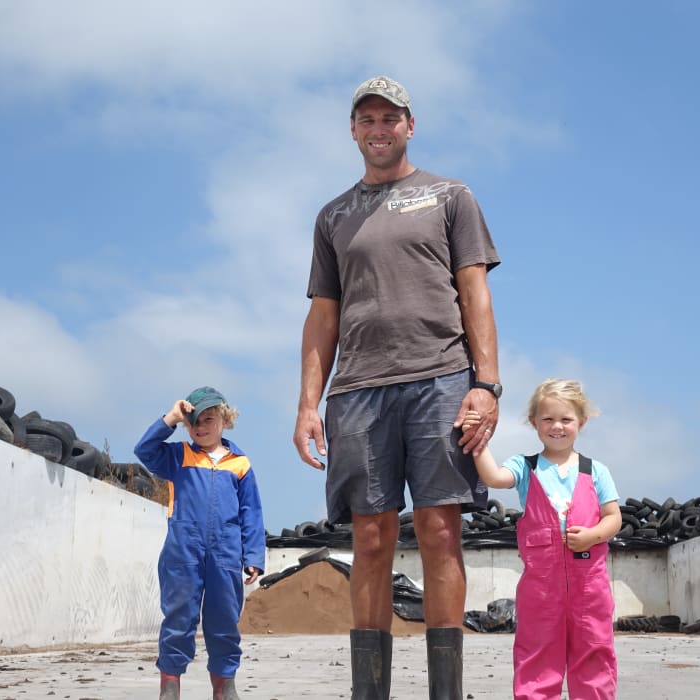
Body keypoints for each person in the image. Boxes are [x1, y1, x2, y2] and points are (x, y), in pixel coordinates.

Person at [293, 75, 502, 700]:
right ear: (353, 131)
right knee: (371, 535)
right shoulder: (332, 216)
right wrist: (308, 403)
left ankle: (447, 691)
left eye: (391, 118)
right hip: (356, 390)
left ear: (410, 126)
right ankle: (370, 692)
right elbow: (322, 314)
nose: (379, 129)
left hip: (441, 378)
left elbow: (475, 292)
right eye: (367, 120)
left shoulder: (449, 196)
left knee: (440, 530)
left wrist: (485, 383)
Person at [464, 379, 621, 699]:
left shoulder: (596, 471)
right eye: (548, 419)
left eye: (566, 419)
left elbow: (614, 518)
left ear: (582, 422)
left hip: (590, 587)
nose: (557, 427)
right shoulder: (525, 467)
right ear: (534, 422)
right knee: (536, 655)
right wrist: (477, 439)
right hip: (541, 589)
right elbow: (494, 477)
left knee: (594, 653)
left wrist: (593, 535)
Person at [135, 386, 266, 700]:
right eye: (193, 421)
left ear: (224, 420)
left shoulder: (240, 464)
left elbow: (252, 512)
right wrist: (171, 417)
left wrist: (254, 556)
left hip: (225, 554)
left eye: (208, 419)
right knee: (179, 618)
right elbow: (144, 450)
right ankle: (170, 685)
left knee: (224, 620)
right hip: (183, 551)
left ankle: (224, 685)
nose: (201, 426)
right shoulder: (178, 456)